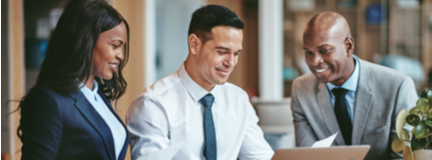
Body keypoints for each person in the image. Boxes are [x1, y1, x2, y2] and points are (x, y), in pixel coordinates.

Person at [126, 5, 274, 160]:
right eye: (222, 52)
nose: (231, 63)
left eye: (236, 53)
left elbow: (261, 157)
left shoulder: (238, 100)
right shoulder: (153, 104)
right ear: (194, 44)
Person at [291, 12, 418, 160]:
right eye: (308, 53)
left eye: (324, 51)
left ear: (348, 46)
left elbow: (403, 157)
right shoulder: (301, 90)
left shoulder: (397, 87)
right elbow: (308, 156)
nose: (314, 61)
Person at [17, 0, 130, 159]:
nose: (121, 55)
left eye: (122, 47)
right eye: (115, 45)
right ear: (87, 40)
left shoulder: (97, 96)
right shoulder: (49, 102)